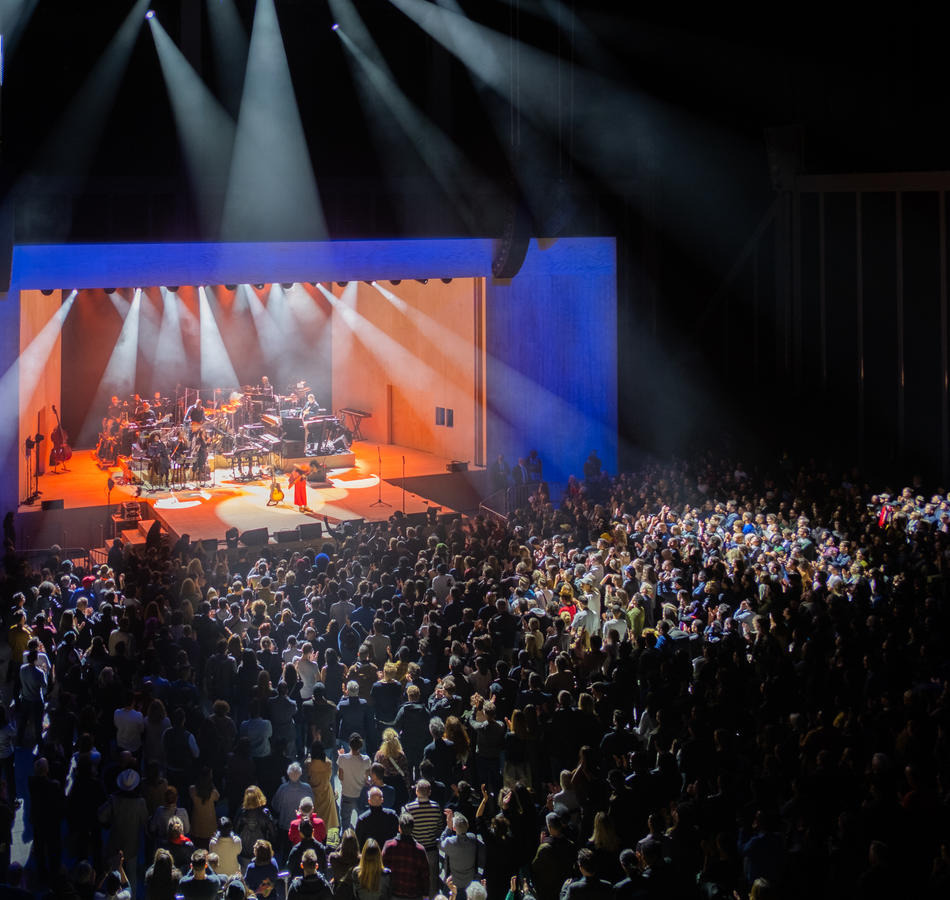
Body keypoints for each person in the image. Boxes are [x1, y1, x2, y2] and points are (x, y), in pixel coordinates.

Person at [382, 814, 429, 900]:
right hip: (414, 895)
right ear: (412, 828)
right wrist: (426, 893)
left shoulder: (389, 846)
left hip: (393, 894)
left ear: (399, 828)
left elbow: (382, 869)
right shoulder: (420, 850)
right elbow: (425, 875)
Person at [439, 811, 481, 894]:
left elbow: (441, 842)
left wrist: (448, 827)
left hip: (454, 883)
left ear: (454, 828)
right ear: (467, 826)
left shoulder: (451, 842)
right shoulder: (472, 838)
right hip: (469, 883)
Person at [339, 733, 373, 830]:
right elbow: (367, 778)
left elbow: (340, 776)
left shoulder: (342, 758)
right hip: (361, 795)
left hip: (347, 794)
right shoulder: (366, 760)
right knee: (362, 822)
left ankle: (346, 841)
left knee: (345, 823)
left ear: (349, 745)